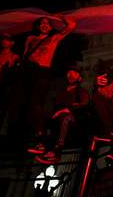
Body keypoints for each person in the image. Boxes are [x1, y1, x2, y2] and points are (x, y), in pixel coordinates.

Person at [10, 15, 76, 146]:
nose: (44, 25)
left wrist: (57, 17)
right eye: (42, 23)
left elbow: (72, 25)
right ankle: (29, 134)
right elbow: (25, 55)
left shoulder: (53, 38)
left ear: (51, 27)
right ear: (37, 26)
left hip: (42, 71)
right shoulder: (30, 38)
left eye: (47, 23)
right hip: (29, 72)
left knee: (36, 102)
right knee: (25, 103)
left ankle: (41, 133)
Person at [32, 65, 90, 164]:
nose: (70, 75)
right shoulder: (60, 89)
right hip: (56, 117)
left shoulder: (81, 92)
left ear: (80, 77)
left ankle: (57, 151)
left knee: (65, 117)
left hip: (72, 119)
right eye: (69, 72)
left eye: (74, 73)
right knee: (40, 110)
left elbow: (84, 104)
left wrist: (65, 110)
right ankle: (41, 141)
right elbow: (51, 102)